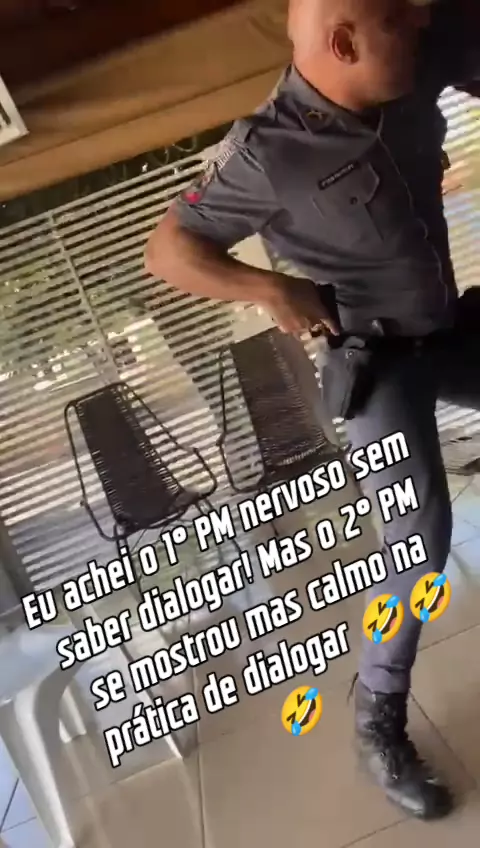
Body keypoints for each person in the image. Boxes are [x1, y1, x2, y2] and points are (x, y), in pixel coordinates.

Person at [145, 0, 479, 821]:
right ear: (342, 42)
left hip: (450, 327)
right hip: (376, 361)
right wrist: (267, 287)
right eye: (400, 16)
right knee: (418, 541)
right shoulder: (267, 150)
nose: (421, 20)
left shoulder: (414, 55)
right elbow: (170, 250)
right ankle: (378, 721)